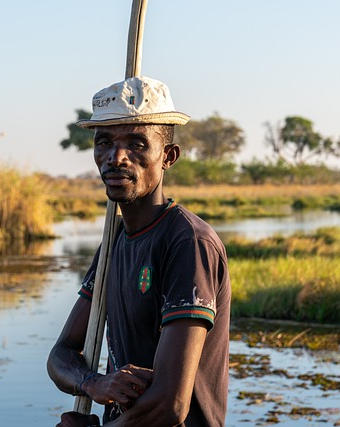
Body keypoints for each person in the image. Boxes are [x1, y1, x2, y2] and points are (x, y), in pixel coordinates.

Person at [47, 76, 231, 426]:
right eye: (104, 142)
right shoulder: (114, 241)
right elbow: (61, 354)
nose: (116, 158)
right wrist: (93, 383)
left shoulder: (188, 243)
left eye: (137, 144)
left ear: (168, 157)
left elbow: (171, 405)